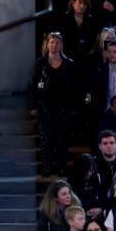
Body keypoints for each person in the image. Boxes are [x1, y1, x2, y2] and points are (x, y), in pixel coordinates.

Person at [33, 32, 81, 176]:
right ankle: (47, 166)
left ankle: (61, 166)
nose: (54, 45)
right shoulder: (40, 64)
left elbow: (75, 88)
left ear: (62, 45)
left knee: (62, 139)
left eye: (57, 42)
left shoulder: (69, 64)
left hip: (64, 108)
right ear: (47, 45)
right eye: (51, 42)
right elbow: (34, 86)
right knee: (46, 139)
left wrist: (74, 107)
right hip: (45, 107)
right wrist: (34, 106)